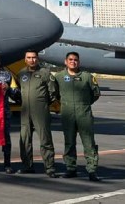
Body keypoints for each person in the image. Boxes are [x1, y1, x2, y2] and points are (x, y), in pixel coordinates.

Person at [52, 52, 101, 181]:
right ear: (65, 61)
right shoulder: (59, 77)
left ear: (79, 62)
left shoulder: (87, 77)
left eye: (75, 60)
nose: (73, 62)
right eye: (70, 59)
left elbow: (95, 94)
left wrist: (84, 103)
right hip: (67, 113)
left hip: (84, 113)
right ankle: (71, 168)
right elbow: (55, 93)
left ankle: (92, 170)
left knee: (89, 142)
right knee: (69, 142)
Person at [16, 49, 59, 178]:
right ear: (25, 59)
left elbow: (53, 92)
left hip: (40, 110)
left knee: (45, 139)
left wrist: (43, 103)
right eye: (29, 57)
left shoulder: (45, 73)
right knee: (24, 139)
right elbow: (19, 90)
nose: (32, 60)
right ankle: (27, 166)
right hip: (25, 111)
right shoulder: (21, 73)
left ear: (38, 58)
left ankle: (50, 167)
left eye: (34, 57)